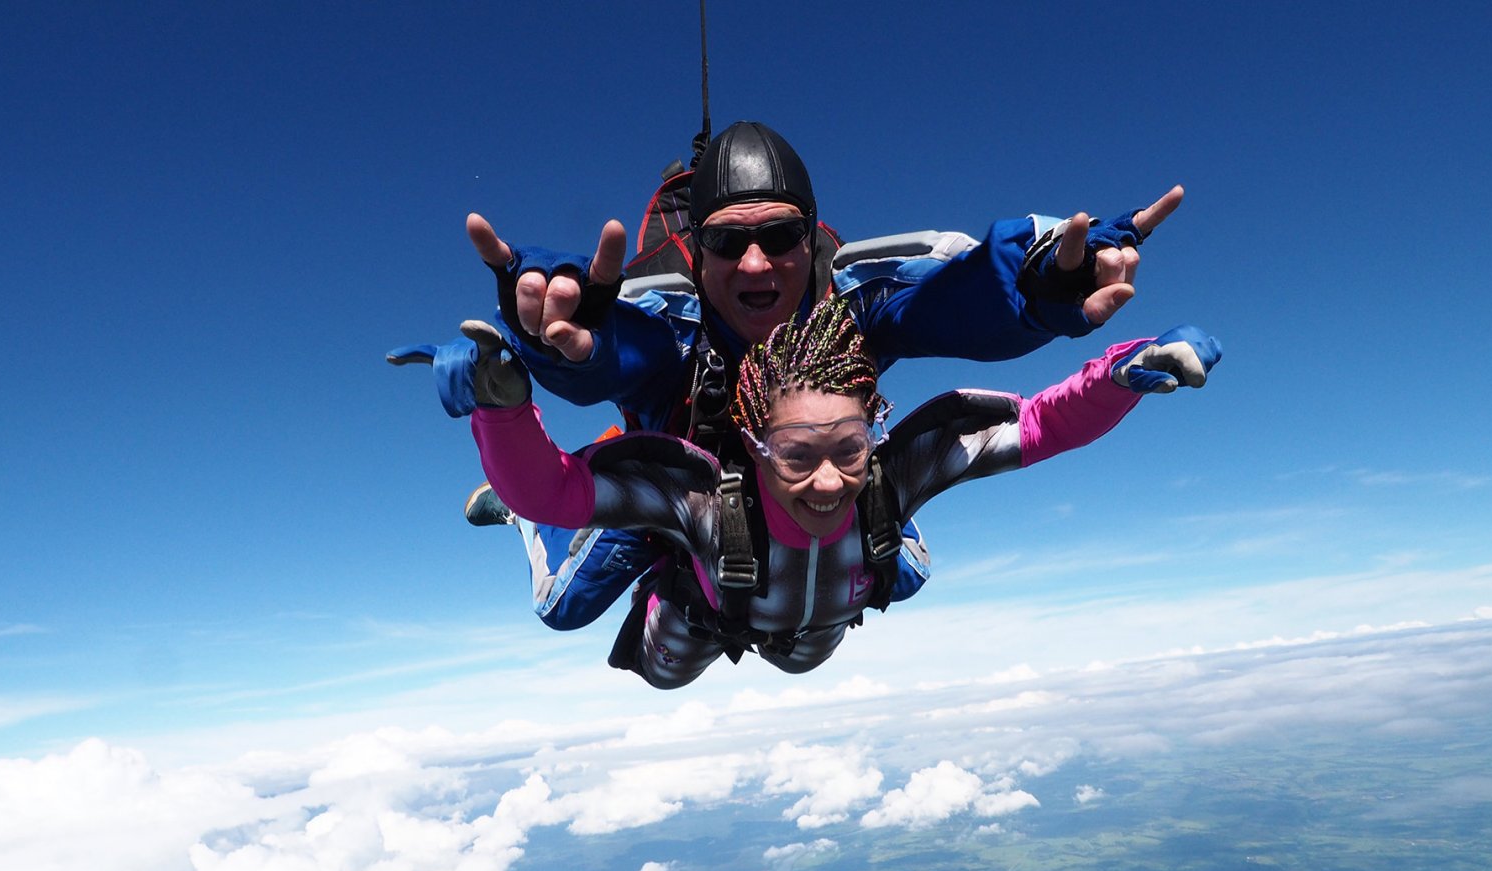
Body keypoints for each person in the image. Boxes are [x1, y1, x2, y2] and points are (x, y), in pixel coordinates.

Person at [395, 121, 1182, 630]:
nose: (757, 263)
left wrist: (1036, 286)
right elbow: (620, 354)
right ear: (696, 259)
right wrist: (552, 347)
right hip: (678, 497)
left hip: (820, 483)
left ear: (813, 242)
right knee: (566, 604)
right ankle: (526, 517)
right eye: (728, 244)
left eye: (780, 234)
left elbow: (947, 306)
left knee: (895, 573)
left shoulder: (856, 319)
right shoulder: (674, 342)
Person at [464, 297, 1221, 688]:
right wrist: (499, 411)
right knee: (580, 617)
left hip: (814, 602)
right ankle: (519, 529)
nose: (828, 479)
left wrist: (1124, 372)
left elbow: (1039, 425)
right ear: (755, 445)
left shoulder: (892, 473)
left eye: (850, 449)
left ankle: (882, 539)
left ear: (873, 433)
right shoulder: (698, 498)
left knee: (876, 577)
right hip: (709, 589)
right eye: (797, 455)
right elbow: (552, 489)